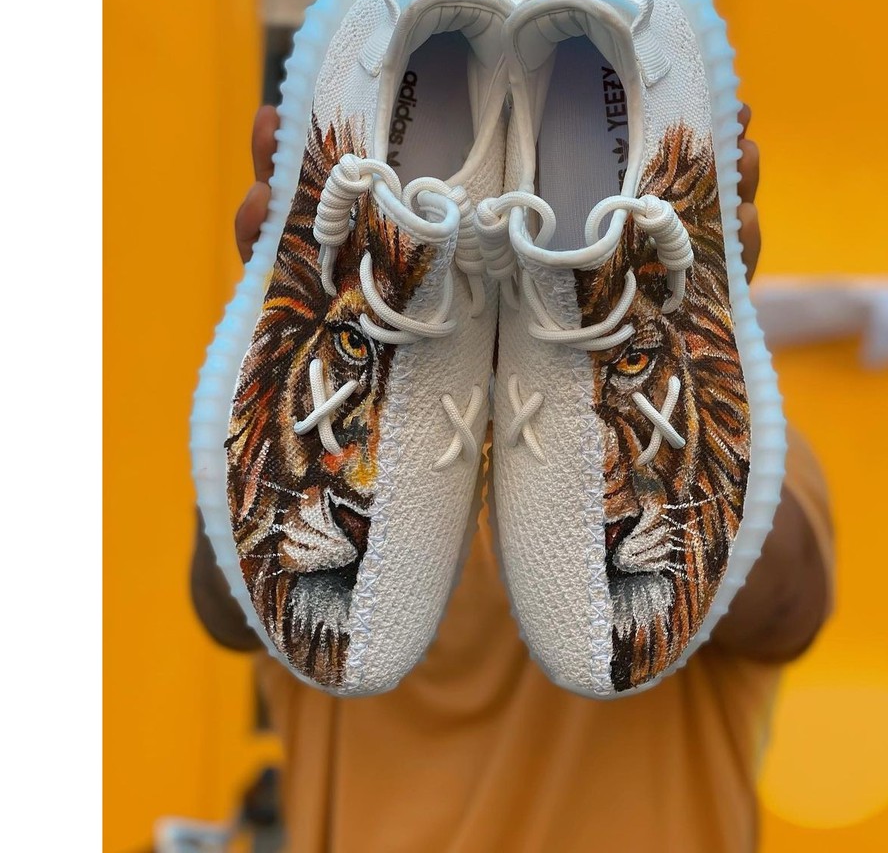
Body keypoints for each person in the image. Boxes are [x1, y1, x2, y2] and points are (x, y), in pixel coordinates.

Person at [191, 103, 834, 852]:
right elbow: (227, 604)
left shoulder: (727, 426)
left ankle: (606, 323)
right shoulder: (311, 416)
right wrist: (289, 347)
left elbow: (787, 610)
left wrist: (676, 344)